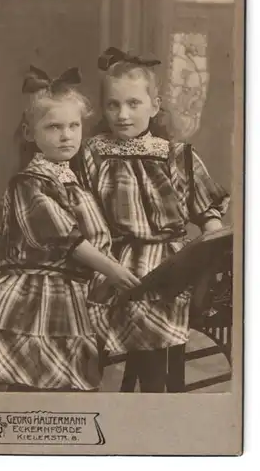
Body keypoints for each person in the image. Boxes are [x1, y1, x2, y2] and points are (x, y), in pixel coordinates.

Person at [0, 65, 140, 393]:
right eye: (54, 127)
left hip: (70, 295)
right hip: (36, 298)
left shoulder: (68, 177)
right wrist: (113, 270)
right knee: (33, 386)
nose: (66, 135)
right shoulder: (29, 183)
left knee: (64, 387)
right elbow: (67, 239)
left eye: (74, 125)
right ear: (30, 133)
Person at [78, 47, 230, 393]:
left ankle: (154, 388)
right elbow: (79, 212)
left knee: (150, 302)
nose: (122, 114)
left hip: (168, 262)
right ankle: (125, 389)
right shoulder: (93, 153)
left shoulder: (175, 155)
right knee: (85, 304)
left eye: (133, 104)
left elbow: (208, 213)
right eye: (113, 105)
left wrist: (212, 253)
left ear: (154, 106)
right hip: (110, 257)